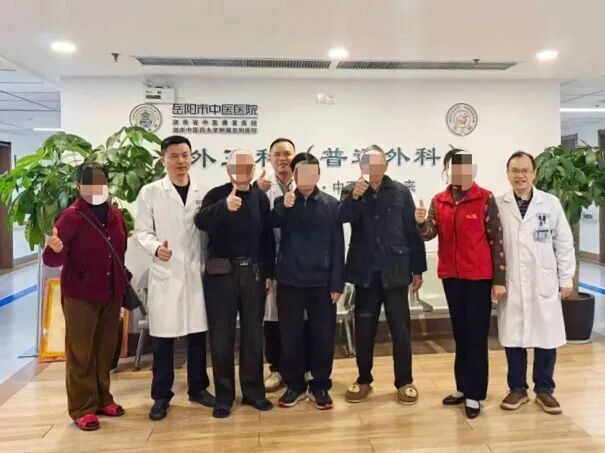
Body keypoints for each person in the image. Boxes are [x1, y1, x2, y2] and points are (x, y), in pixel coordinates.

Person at [416, 149, 507, 419]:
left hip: (478, 278)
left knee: (476, 335)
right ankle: (462, 387)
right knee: (460, 334)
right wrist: (420, 223)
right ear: (447, 170)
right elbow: (429, 234)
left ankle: (475, 393)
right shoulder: (439, 200)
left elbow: (497, 240)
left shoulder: (485, 198)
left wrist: (499, 280)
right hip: (452, 277)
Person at [43, 162, 129, 431]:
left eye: (100, 182)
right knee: (81, 352)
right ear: (78, 186)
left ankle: (103, 398)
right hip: (80, 294)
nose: (95, 188)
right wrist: (54, 248)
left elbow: (121, 250)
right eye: (89, 183)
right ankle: (82, 407)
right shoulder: (70, 217)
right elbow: (51, 259)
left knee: (104, 349)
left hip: (111, 293)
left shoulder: (116, 215)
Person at [338, 145, 426, 406]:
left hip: (396, 270)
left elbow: (411, 231)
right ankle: (364, 379)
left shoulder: (400, 191)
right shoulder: (351, 190)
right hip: (366, 273)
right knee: (364, 329)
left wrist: (418, 269)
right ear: (361, 167)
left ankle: (405, 381)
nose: (373, 169)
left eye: (378, 165)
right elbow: (340, 217)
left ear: (386, 167)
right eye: (368, 164)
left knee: (401, 330)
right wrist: (354, 197)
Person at [135, 135, 215, 421]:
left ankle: (198, 388)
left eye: (185, 155)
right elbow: (141, 231)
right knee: (163, 340)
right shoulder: (150, 192)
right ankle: (161, 396)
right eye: (174, 156)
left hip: (195, 273)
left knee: (197, 335)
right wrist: (156, 248)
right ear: (163, 160)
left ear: (191, 157)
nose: (181, 161)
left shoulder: (204, 191)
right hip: (166, 273)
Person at [194, 149, 275, 418]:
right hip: (221, 275)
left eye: (248, 166)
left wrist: (269, 272)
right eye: (237, 166)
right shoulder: (216, 195)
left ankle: (254, 393)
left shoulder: (260, 198)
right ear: (228, 170)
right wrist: (223, 206)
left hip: (253, 274)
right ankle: (224, 397)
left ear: (253, 169)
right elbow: (200, 222)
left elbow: (267, 239)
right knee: (221, 337)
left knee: (253, 335)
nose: (243, 171)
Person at [496, 151, 575, 415]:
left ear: (534, 174)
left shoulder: (550, 204)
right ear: (508, 174)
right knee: (513, 337)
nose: (520, 175)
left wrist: (566, 277)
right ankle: (517, 389)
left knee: (546, 335)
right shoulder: (499, 204)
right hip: (512, 282)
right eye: (515, 170)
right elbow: (492, 245)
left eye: (525, 170)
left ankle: (544, 390)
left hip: (544, 279)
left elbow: (564, 242)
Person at [271, 152, 344, 410]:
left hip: (321, 282)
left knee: (323, 336)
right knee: (290, 335)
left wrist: (337, 283)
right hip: (289, 280)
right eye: (301, 172)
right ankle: (295, 385)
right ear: (294, 176)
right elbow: (272, 222)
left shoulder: (331, 204)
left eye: (311, 172)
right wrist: (284, 206)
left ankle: (320, 385)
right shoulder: (283, 202)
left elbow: (338, 246)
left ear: (318, 176)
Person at [255, 138, 312, 392]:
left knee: (303, 318)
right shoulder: (262, 188)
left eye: (287, 153)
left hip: (301, 264)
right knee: (273, 318)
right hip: (272, 262)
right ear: (269, 158)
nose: (282, 158)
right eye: (277, 154)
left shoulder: (305, 186)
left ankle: (305, 367)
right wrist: (255, 192)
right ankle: (276, 368)